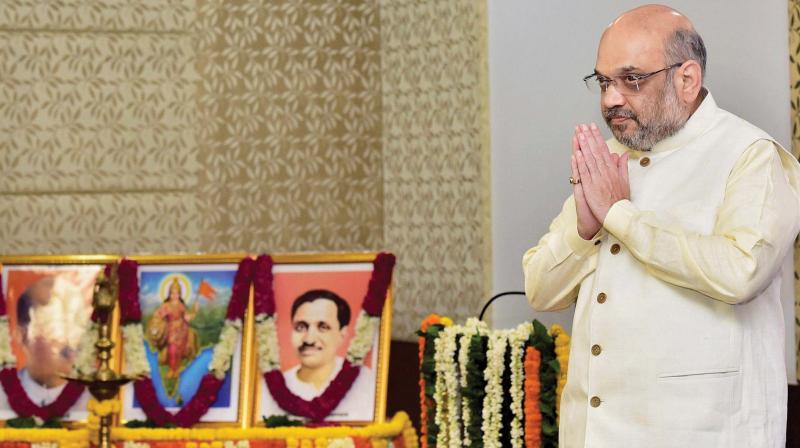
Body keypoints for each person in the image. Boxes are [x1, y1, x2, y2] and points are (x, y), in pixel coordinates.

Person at [522, 5, 800, 447]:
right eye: (603, 81)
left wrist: (620, 216)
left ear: (686, 79)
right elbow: (539, 289)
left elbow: (740, 271)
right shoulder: (609, 159)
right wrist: (586, 228)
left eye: (631, 79)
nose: (611, 99)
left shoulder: (750, 154)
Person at [261, 289, 375, 421]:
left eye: (323, 327)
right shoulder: (268, 390)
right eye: (301, 327)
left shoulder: (368, 382)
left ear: (342, 335)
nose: (309, 339)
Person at [6, 275, 91, 418]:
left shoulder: (95, 399)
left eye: (77, 326)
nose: (71, 343)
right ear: (21, 335)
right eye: (55, 327)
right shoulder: (3, 396)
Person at [147, 278, 199, 384]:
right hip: (171, 329)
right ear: (169, 294)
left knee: (180, 348)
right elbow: (158, 315)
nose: (175, 295)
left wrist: (194, 311)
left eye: (177, 293)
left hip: (182, 329)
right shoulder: (166, 305)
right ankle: (172, 369)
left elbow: (187, 318)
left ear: (179, 294)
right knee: (172, 347)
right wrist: (157, 320)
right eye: (172, 293)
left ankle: (176, 370)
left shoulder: (181, 305)